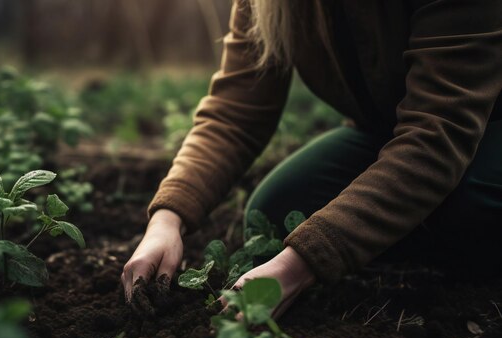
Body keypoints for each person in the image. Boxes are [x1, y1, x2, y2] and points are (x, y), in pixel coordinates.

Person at [121, 0, 502, 316]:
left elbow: (438, 130)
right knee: (277, 210)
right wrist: (167, 220)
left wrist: (301, 264)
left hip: (480, 127)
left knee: (470, 206)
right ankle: (411, 218)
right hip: (388, 131)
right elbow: (234, 111)